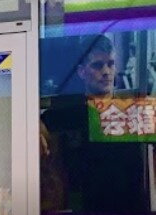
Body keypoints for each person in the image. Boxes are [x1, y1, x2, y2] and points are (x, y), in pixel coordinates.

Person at [41, 35, 149, 213]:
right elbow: (37, 124)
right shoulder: (67, 115)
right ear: (82, 72)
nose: (106, 71)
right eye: (98, 65)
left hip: (131, 207)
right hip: (86, 207)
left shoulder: (131, 112)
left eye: (111, 64)